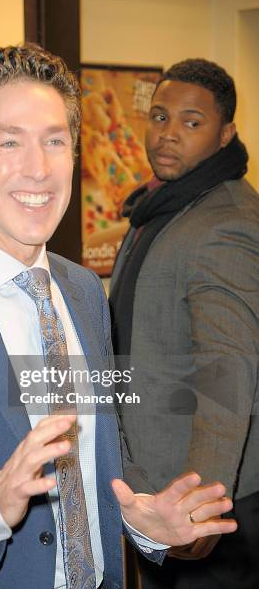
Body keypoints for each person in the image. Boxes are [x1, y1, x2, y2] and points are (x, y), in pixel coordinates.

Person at [0, 47, 236, 589]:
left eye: (55, 141)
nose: (40, 167)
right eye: (10, 141)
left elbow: (96, 470)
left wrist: (143, 521)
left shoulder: (81, 291)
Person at [109, 58, 259, 589]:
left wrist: (200, 508)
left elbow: (227, 372)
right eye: (159, 116)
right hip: (157, 486)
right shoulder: (166, 207)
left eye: (192, 122)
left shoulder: (225, 225)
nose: (168, 135)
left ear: (226, 134)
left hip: (204, 503)